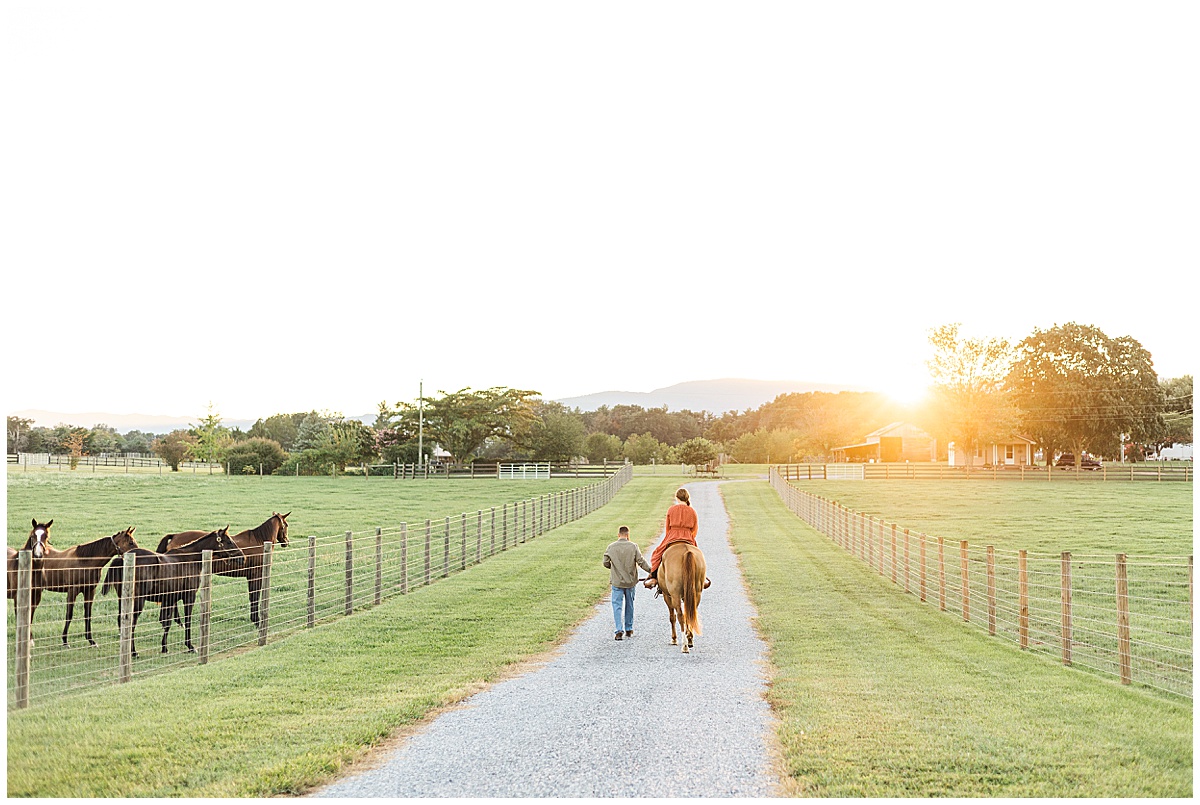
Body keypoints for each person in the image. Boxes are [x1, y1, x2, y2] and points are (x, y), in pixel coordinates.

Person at [644, 487, 710, 589]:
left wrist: (669, 536)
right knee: (697, 555)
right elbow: (695, 528)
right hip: (688, 536)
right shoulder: (692, 511)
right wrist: (690, 536)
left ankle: (654, 577)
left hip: (673, 535)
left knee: (657, 554)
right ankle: (701, 577)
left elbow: (667, 527)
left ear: (677, 498)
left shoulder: (671, 509)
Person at [603, 526, 651, 640]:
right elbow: (641, 562)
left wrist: (613, 567)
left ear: (618, 535)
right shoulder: (633, 546)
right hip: (630, 582)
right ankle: (629, 628)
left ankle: (619, 630)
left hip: (617, 582)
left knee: (617, 606)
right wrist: (651, 571)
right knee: (630, 605)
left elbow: (605, 562)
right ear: (628, 535)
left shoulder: (611, 547)